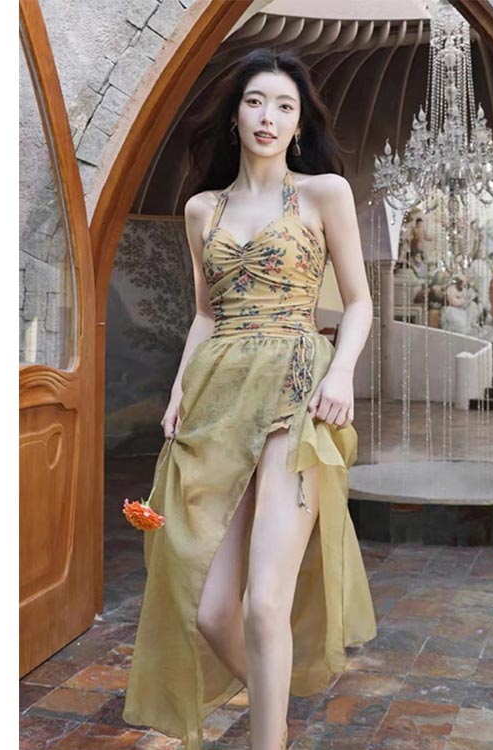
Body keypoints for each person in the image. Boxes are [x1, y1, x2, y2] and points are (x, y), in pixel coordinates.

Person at [122, 49, 377, 750]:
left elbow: (359, 303)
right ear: (235, 115)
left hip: (297, 389)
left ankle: (268, 738)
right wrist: (179, 390)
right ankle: (278, 720)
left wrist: (341, 374)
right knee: (210, 610)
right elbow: (206, 315)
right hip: (219, 397)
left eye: (284, 106)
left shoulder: (323, 193)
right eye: (256, 101)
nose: (269, 117)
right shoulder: (202, 209)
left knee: (265, 602)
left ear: (299, 125)